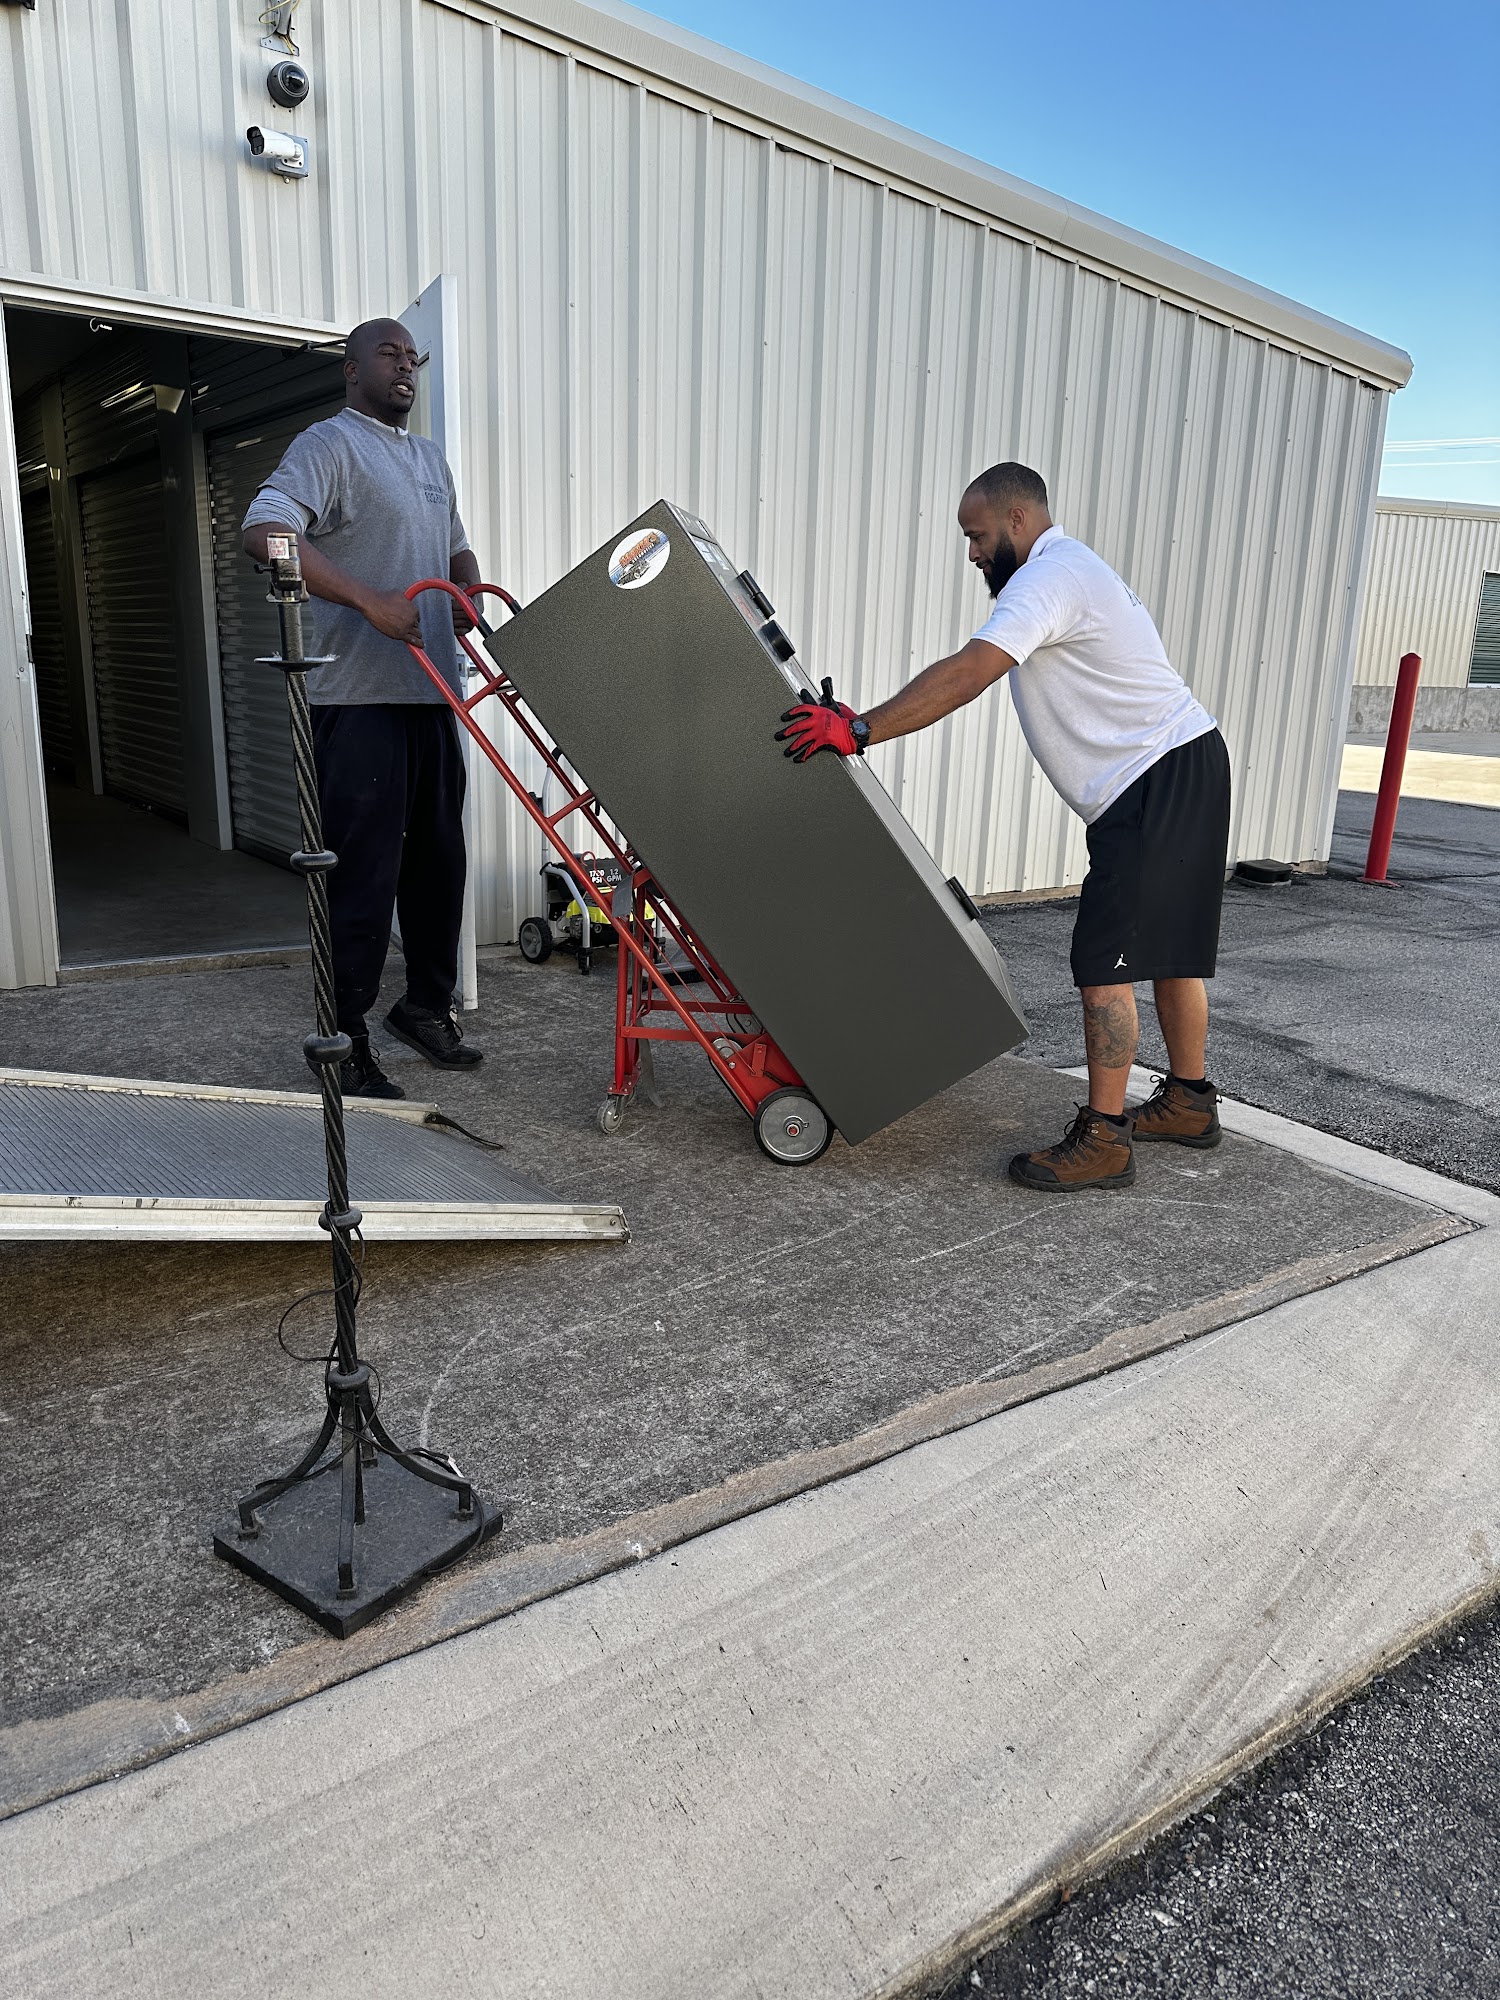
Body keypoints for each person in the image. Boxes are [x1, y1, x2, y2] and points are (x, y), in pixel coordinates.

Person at [776, 461, 1231, 1193]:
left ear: (1018, 519)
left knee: (1104, 963)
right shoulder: (1071, 568)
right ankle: (1188, 1102)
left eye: (978, 535)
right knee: (1171, 954)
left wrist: (858, 729)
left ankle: (1106, 1139)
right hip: (1185, 763)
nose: (972, 553)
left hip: (1153, 778)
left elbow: (971, 670)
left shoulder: (1047, 578)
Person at [242, 317, 484, 1099]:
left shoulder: (429, 459)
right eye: (389, 354)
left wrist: (469, 588)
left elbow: (454, 543)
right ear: (351, 369)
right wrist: (368, 600)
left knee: (439, 868)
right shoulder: (329, 446)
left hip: (431, 694)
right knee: (363, 881)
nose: (405, 366)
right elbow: (264, 532)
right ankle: (343, 1039)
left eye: (412, 357)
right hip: (357, 702)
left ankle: (425, 1008)